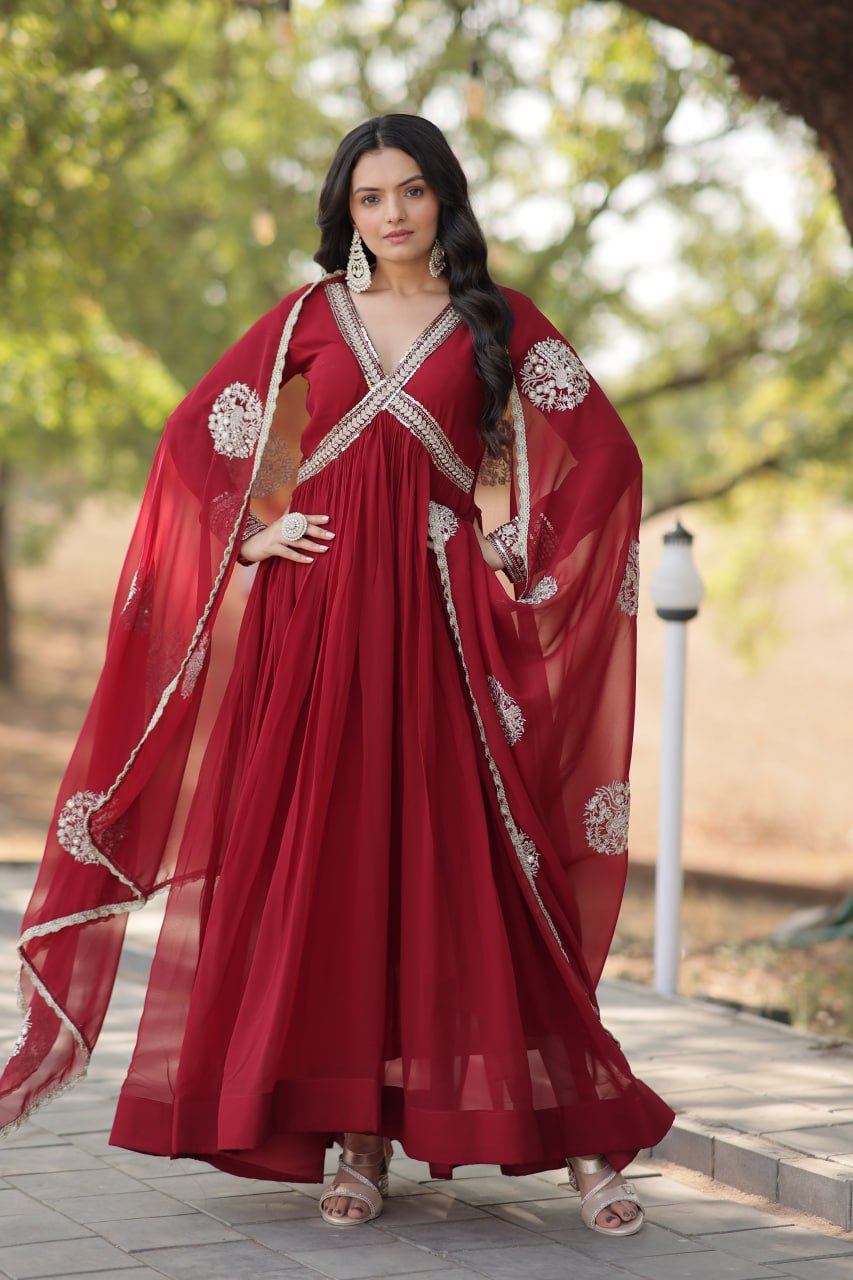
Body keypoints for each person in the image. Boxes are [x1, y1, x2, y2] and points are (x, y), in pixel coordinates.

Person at [0, 114, 673, 1237]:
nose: (394, 213)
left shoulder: (493, 321)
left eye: (413, 191)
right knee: (332, 864)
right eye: (370, 197)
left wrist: (520, 548)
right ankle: (353, 1135)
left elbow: (603, 451)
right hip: (314, 628)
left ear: (443, 200)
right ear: (347, 213)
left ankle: (588, 1141)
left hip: (443, 624)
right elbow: (190, 440)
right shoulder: (308, 318)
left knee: (480, 870)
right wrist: (249, 538)